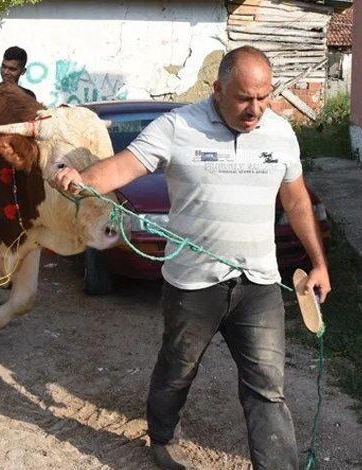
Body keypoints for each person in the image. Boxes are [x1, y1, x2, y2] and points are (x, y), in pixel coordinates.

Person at [51, 46, 331, 470]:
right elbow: (125, 166)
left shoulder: (281, 132)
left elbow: (295, 199)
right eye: (243, 98)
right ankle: (162, 436)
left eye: (264, 96)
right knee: (178, 370)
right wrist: (81, 179)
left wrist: (318, 262)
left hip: (258, 285)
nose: (255, 109)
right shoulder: (178, 126)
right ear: (217, 89)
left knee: (267, 388)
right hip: (193, 285)